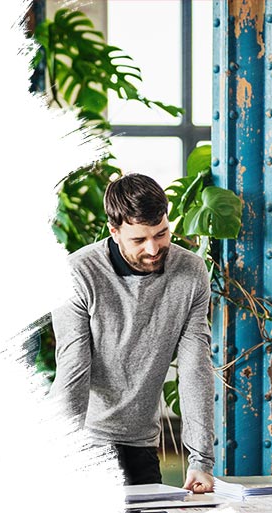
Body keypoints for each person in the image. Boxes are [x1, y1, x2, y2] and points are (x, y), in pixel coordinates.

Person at [50, 172, 215, 493]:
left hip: (141, 442)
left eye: (162, 233)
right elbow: (73, 371)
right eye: (139, 240)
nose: (153, 248)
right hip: (85, 442)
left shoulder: (191, 272)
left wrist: (200, 461)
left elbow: (196, 368)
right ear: (114, 231)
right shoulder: (78, 273)